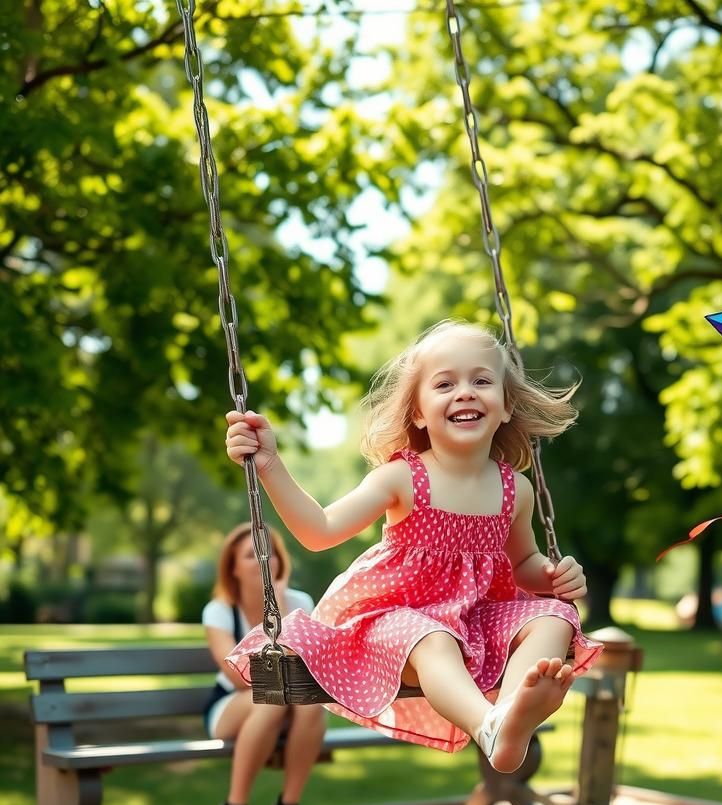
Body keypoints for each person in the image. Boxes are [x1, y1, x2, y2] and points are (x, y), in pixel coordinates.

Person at [223, 319, 603, 776]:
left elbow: (522, 562)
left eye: (482, 381)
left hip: (474, 622)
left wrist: (551, 576)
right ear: (419, 412)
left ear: (506, 406)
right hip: (395, 622)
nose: (465, 393)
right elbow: (319, 531)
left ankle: (510, 712)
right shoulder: (402, 478)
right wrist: (269, 465)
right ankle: (488, 726)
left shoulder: (514, 489)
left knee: (556, 616)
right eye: (445, 384)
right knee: (433, 636)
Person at [203, 523, 325, 805]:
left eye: (268, 551)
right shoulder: (220, 610)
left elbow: (306, 668)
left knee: (311, 706)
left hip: (288, 703)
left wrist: (281, 606)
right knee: (272, 701)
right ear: (233, 568)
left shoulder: (299, 602)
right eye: (250, 554)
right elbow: (237, 676)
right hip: (231, 705)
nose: (262, 558)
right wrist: (284, 672)